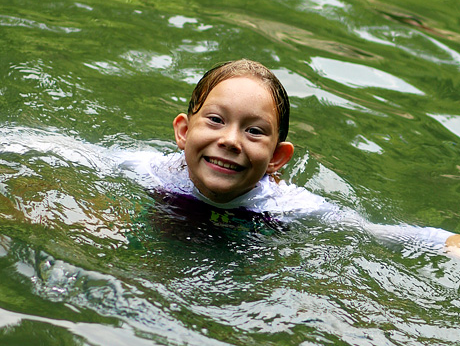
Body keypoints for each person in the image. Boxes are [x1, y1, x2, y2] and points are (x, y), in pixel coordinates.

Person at [117, 59, 460, 255]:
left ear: (278, 157)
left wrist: (448, 242)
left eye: (254, 131)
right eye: (216, 120)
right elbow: (70, 152)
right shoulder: (154, 170)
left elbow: (372, 232)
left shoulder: (285, 205)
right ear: (183, 132)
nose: (230, 140)